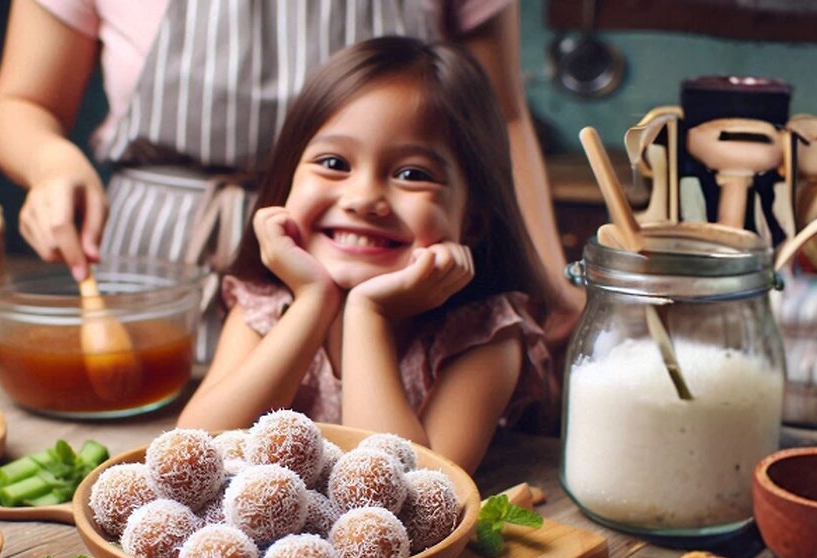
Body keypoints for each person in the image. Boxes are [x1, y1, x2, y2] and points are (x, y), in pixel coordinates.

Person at [0, 1, 583, 360]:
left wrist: (549, 279)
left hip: (379, 274)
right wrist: (50, 163)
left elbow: (498, 116)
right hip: (154, 272)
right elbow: (21, 102)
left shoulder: (480, 343)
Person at [175, 37, 552, 473]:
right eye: (334, 163)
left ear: (472, 221)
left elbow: (415, 493)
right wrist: (314, 301)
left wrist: (366, 313)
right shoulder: (264, 305)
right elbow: (194, 456)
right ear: (286, 181)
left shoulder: (483, 334)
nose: (363, 199)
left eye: (412, 174)